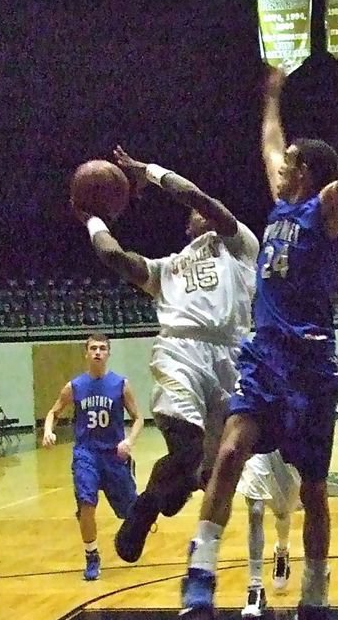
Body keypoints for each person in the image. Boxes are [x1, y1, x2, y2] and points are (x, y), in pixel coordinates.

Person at [181, 57, 338, 620]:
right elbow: (269, 140)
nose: (278, 167)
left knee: (312, 493)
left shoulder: (326, 211)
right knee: (226, 453)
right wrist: (272, 94)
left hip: (309, 371)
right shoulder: (279, 210)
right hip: (264, 360)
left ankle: (315, 609)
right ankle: (200, 571)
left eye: (289, 165)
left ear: (307, 173)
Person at [80, 146, 258, 564]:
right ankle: (144, 509)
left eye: (204, 209)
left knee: (210, 473)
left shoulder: (238, 245)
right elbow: (113, 256)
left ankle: (175, 486)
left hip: (232, 357)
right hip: (180, 350)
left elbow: (200, 198)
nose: (200, 212)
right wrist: (91, 218)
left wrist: (151, 172)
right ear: (187, 226)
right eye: (193, 214)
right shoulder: (165, 268)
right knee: (188, 446)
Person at [42, 333, 143, 581]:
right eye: (93, 348)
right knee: (87, 504)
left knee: (129, 513)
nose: (98, 352)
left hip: (114, 455)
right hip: (86, 453)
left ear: (108, 353)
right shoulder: (75, 386)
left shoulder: (120, 384)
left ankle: (134, 511)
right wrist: (47, 431)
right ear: (86, 353)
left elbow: (138, 417)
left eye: (102, 348)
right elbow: (53, 412)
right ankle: (92, 555)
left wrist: (129, 441)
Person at [236, 450, 300, 620]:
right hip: (256, 448)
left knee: (283, 513)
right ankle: (255, 588)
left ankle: (282, 549)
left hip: (285, 449)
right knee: (255, 511)